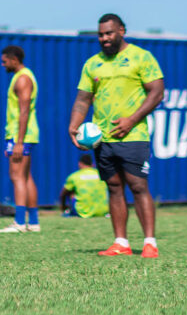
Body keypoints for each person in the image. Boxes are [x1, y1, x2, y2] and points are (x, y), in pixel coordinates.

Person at [68, 13, 164, 258]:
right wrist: (74, 125)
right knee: (113, 187)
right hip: (103, 139)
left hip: (134, 135)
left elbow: (157, 92)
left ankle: (150, 243)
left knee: (138, 186)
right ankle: (121, 243)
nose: (104, 38)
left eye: (109, 33)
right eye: (101, 34)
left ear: (122, 30)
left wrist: (131, 120)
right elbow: (83, 99)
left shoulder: (142, 57)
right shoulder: (92, 63)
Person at [0, 46, 41, 233]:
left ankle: (20, 222)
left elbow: (24, 111)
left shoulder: (23, 78)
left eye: (4, 61)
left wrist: (19, 142)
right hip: (22, 135)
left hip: (20, 136)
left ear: (14, 59)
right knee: (26, 177)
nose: (2, 64)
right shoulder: (20, 76)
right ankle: (34, 222)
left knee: (17, 176)